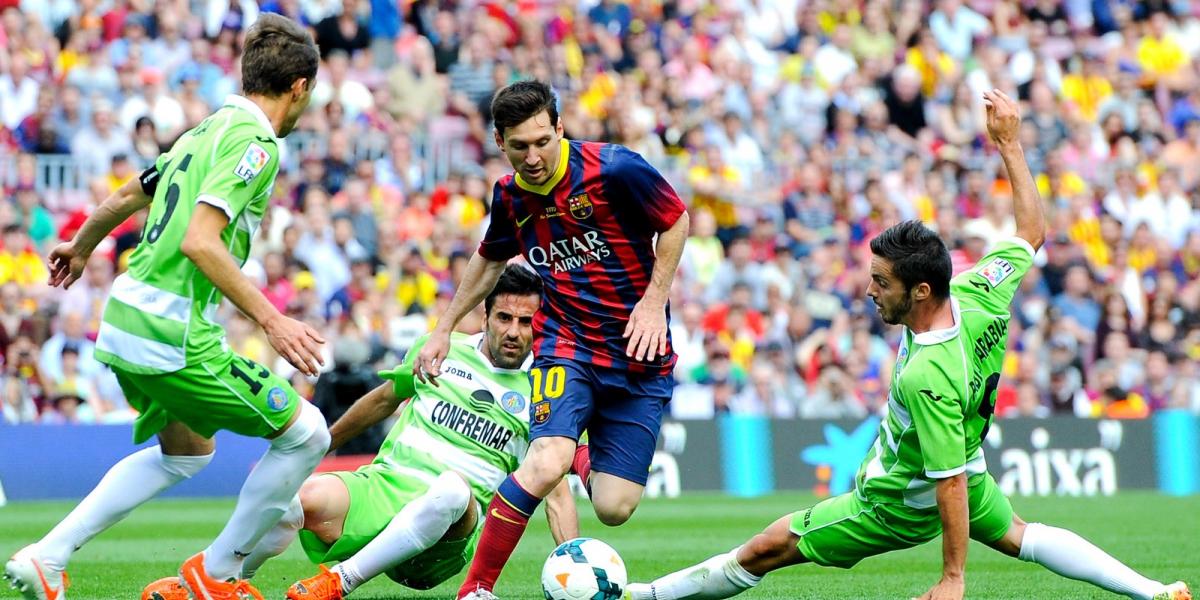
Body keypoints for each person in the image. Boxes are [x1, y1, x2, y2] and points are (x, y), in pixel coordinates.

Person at [622, 91, 1192, 600]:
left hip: (900, 499)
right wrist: (1011, 146)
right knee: (1023, 535)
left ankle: (643, 597)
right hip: (971, 467)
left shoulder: (929, 373)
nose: (869, 291)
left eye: (881, 282)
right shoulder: (978, 288)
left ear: (920, 290)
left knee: (767, 548)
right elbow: (1030, 234)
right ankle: (1155, 592)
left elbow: (943, 485)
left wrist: (953, 577)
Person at [5, 14, 326, 600]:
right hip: (172, 331)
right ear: (300, 87)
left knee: (187, 453)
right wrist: (272, 319)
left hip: (126, 315)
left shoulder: (203, 130)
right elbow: (200, 241)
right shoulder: (256, 143)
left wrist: (80, 245)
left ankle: (47, 557)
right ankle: (219, 574)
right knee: (308, 436)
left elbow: (131, 193)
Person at [143, 265, 579, 600]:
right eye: (505, 317)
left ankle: (339, 582)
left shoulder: (546, 387)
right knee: (292, 501)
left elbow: (554, 488)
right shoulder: (441, 351)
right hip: (384, 489)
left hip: (449, 534)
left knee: (450, 489)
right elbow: (384, 399)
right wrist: (321, 446)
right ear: (485, 313)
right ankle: (219, 581)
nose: (514, 332)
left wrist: (575, 564)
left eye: (526, 323)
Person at [410, 80, 689, 600]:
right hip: (568, 344)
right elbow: (491, 257)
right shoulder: (510, 196)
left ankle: (575, 449)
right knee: (543, 462)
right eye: (520, 146)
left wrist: (653, 303)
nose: (533, 157)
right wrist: (444, 328)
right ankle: (476, 590)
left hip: (638, 354)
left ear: (560, 128)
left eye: (543, 141)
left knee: (613, 507)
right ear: (499, 141)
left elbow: (676, 222)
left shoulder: (615, 169)